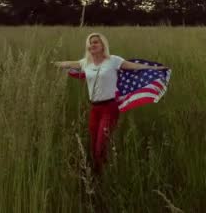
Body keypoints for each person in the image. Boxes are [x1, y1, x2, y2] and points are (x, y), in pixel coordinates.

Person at [53, 32, 167, 174]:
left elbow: (135, 67)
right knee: (94, 145)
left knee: (101, 145)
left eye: (95, 42)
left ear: (102, 46)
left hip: (109, 107)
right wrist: (54, 63)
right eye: (90, 42)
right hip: (94, 108)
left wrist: (156, 69)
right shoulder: (85, 62)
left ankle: (101, 175)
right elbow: (69, 64)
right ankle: (97, 175)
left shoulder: (113, 60)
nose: (92, 45)